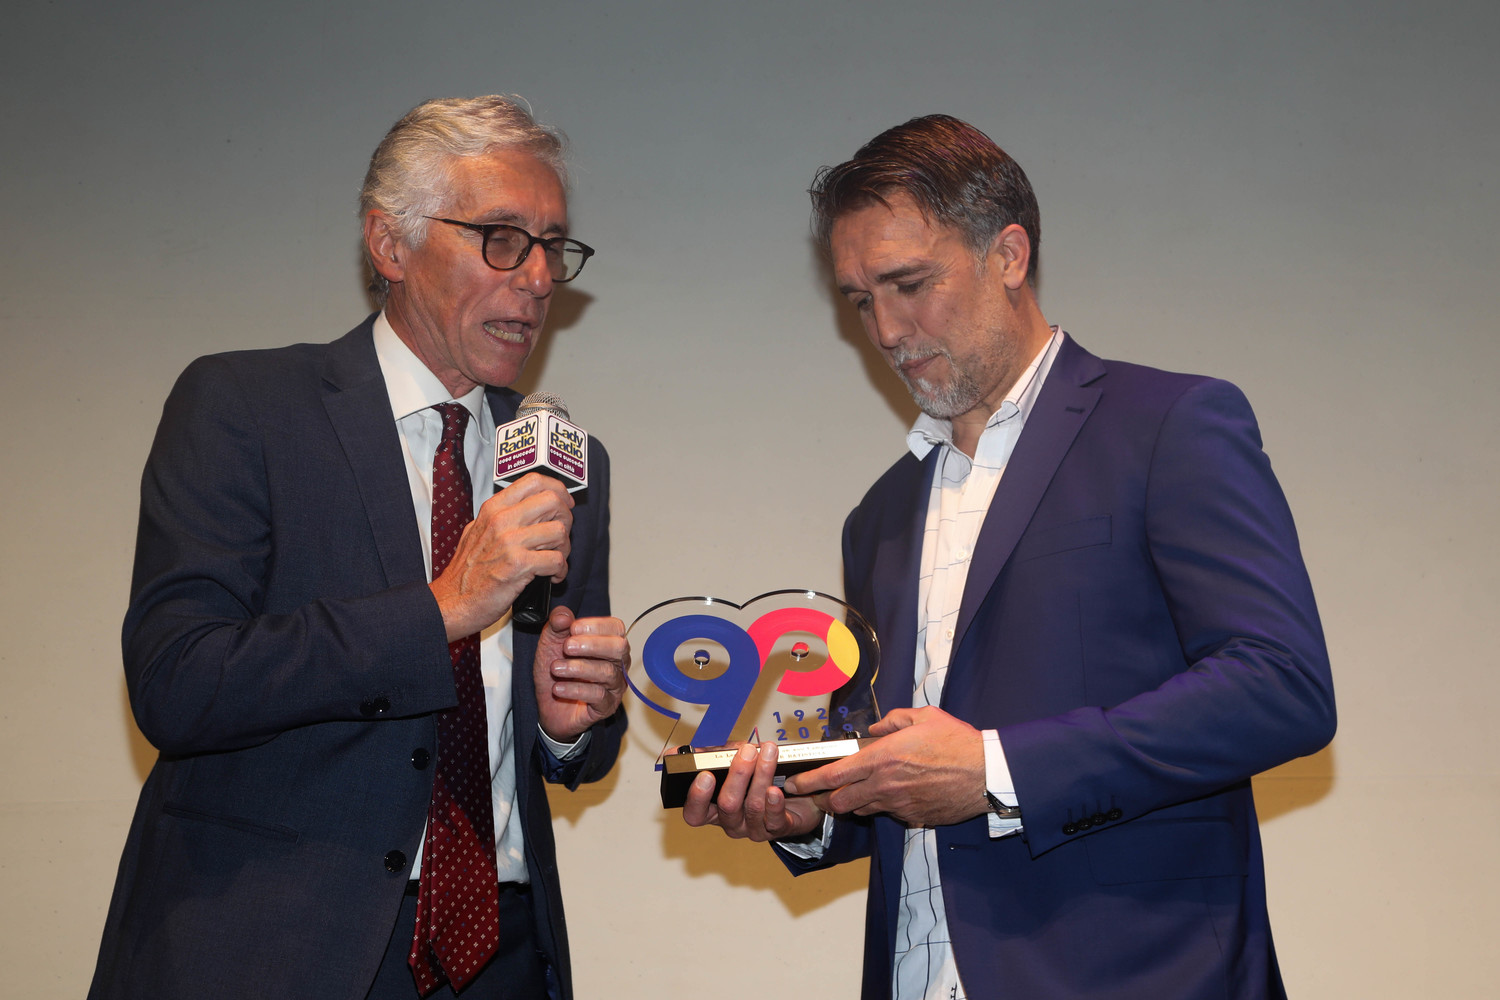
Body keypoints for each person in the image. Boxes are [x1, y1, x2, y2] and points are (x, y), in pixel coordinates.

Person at [683, 114, 1335, 999]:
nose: (886, 328)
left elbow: (1282, 687)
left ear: (1010, 255)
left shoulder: (1168, 427)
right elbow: (901, 773)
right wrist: (809, 811)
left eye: (909, 283)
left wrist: (998, 771)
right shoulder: (877, 519)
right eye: (860, 300)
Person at [89, 96, 628, 1000]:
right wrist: (442, 609)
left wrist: (567, 724)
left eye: (551, 247)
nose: (539, 278)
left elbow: (568, 750)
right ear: (390, 245)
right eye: (502, 239)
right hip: (276, 951)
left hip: (502, 953)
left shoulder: (565, 462)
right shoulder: (247, 408)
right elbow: (177, 683)